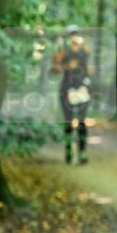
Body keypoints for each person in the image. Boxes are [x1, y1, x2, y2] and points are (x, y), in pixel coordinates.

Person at [51, 25, 92, 164]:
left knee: (82, 121)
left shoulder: (85, 52)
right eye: (72, 34)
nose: (74, 37)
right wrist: (67, 67)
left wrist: (89, 72)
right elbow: (54, 69)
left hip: (81, 88)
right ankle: (69, 150)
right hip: (67, 88)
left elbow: (88, 69)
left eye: (76, 34)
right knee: (68, 121)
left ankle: (83, 152)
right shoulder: (62, 52)